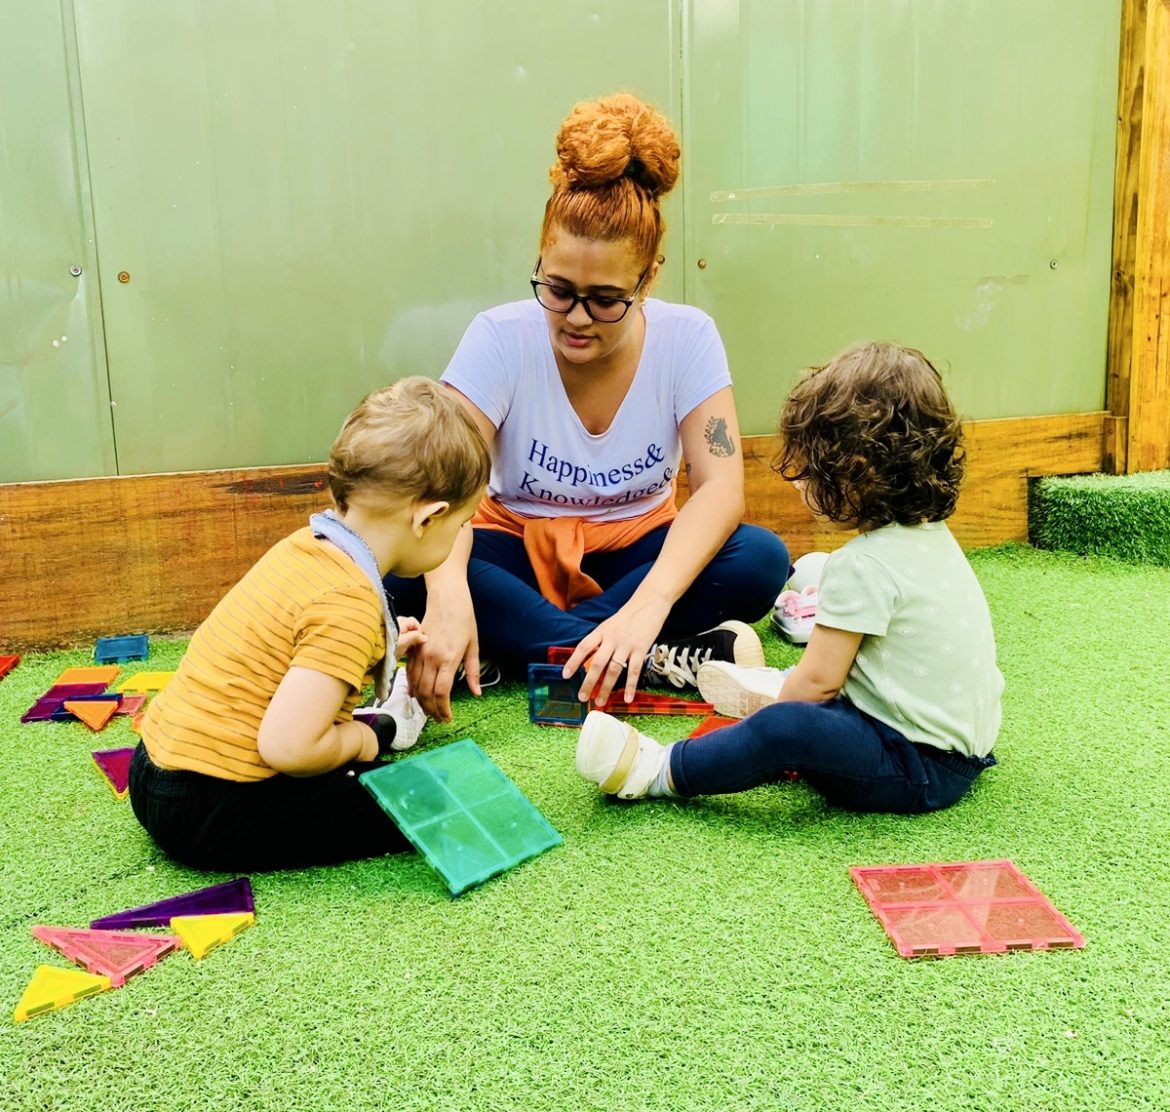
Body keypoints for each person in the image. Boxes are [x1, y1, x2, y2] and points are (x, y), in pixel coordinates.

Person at [386, 93, 789, 722]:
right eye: (558, 290)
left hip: (639, 553)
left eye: (605, 299)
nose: (575, 318)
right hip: (509, 547)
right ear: (539, 264)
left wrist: (647, 606)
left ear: (648, 279)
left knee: (761, 560)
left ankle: (535, 648)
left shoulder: (689, 337)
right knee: (398, 570)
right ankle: (646, 657)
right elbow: (440, 484)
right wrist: (446, 591)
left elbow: (720, 490)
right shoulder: (499, 336)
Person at [576, 341, 1003, 814]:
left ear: (855, 473)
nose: (800, 485)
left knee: (787, 727)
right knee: (808, 702)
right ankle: (773, 688)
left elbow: (819, 687)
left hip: (914, 769)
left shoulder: (861, 564)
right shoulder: (932, 537)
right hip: (957, 751)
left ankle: (658, 769)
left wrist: (772, 723)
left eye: (809, 471)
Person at [128, 378, 490, 871]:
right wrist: (361, 742)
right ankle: (372, 746)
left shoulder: (306, 548)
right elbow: (288, 747)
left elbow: (292, 644)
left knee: (371, 747)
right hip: (206, 808)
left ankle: (368, 739)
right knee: (418, 801)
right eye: (464, 521)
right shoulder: (349, 602)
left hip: (152, 771)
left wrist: (383, 643)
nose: (463, 531)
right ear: (428, 518)